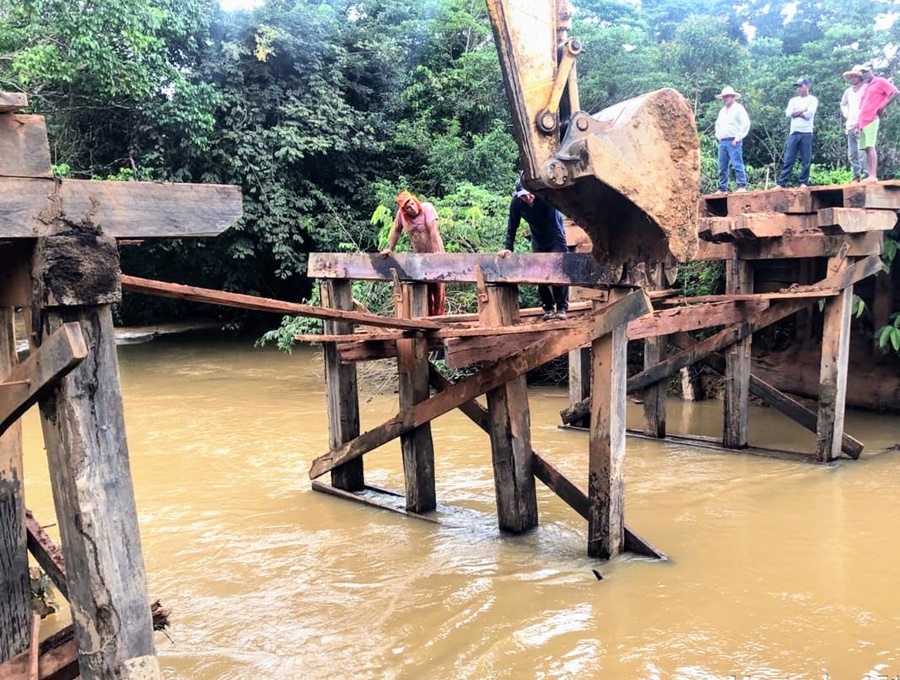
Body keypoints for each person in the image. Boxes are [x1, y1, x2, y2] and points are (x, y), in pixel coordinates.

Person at [498, 179, 569, 320]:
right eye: (524, 196)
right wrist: (508, 248)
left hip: (555, 236)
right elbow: (512, 226)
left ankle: (561, 308)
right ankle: (548, 308)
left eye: (530, 194)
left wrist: (562, 251)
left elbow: (556, 225)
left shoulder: (545, 198)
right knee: (539, 273)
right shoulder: (517, 203)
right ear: (519, 195)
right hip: (537, 239)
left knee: (557, 271)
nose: (528, 198)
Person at [380, 190, 446, 316]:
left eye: (412, 204)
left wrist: (437, 253)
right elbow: (396, 230)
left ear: (415, 200)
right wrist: (390, 248)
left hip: (435, 254)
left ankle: (439, 319)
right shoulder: (402, 215)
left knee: (438, 291)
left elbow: (433, 231)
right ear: (404, 210)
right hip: (419, 259)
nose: (412, 208)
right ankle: (426, 322)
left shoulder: (427, 208)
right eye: (408, 207)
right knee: (424, 291)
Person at [856, 63, 899, 183]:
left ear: (872, 70)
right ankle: (870, 175)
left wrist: (882, 106)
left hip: (872, 118)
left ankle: (873, 175)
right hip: (863, 120)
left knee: (870, 146)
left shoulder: (880, 81)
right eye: (863, 72)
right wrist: (857, 125)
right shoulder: (866, 86)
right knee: (865, 149)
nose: (864, 74)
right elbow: (863, 107)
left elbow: (895, 92)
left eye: (866, 71)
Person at [777, 77, 818, 188]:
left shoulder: (812, 99)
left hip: (806, 132)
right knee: (789, 158)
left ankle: (803, 182)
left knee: (806, 159)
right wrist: (802, 111)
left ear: (807, 86)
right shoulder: (793, 100)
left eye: (801, 86)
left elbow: (809, 115)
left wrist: (796, 113)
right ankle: (782, 183)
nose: (799, 89)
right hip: (794, 132)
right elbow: (788, 113)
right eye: (797, 87)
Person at [713, 86, 750, 194]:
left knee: (737, 164)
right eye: (725, 96)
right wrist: (718, 135)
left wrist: (738, 137)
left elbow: (746, 123)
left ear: (733, 97)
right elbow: (718, 124)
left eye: (728, 96)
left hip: (734, 140)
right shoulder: (722, 111)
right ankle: (722, 188)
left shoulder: (738, 108)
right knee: (722, 166)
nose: (726, 98)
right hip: (723, 141)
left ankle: (742, 186)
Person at [841, 65, 869, 182]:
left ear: (860, 77)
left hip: (862, 122)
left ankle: (866, 173)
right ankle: (856, 175)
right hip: (850, 124)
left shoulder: (866, 88)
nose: (852, 79)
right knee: (852, 154)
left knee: (862, 150)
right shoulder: (848, 91)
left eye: (855, 76)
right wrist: (846, 114)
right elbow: (843, 104)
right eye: (851, 77)